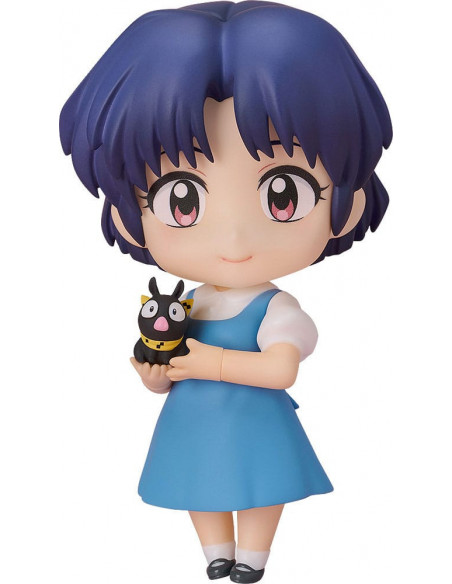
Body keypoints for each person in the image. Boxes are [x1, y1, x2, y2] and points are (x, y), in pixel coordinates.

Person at [59, 2, 392, 581]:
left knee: (264, 482)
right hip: (192, 420)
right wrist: (155, 373)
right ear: (125, 216)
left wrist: (207, 362)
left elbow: (281, 370)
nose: (234, 239)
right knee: (198, 481)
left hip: (257, 422)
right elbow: (164, 370)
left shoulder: (277, 309)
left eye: (283, 193)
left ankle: (253, 558)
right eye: (181, 199)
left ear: (349, 202)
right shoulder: (187, 304)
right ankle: (216, 552)